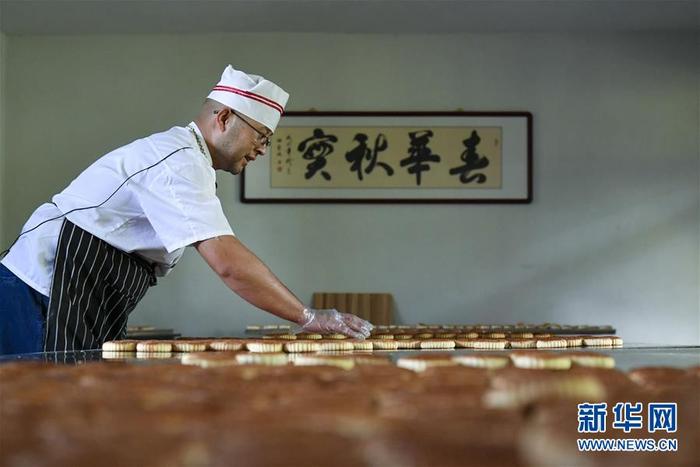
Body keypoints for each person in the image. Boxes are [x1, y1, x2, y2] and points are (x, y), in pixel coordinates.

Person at [0, 65, 373, 355]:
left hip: (84, 290)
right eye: (260, 136)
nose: (262, 149)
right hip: (43, 286)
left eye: (268, 141)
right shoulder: (178, 160)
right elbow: (227, 263)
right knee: (50, 405)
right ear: (224, 118)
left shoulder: (190, 161)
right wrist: (307, 316)